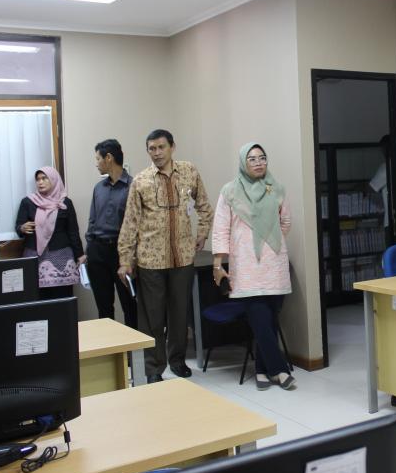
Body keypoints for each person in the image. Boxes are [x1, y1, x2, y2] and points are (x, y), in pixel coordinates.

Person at [117, 129, 212, 383]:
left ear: (172, 147)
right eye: (152, 148)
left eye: (161, 147)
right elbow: (130, 223)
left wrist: (202, 233)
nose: (157, 153)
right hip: (150, 260)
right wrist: (125, 260)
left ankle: (177, 361)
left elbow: (204, 206)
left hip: (183, 258)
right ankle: (153, 368)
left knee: (180, 314)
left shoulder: (189, 172)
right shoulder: (141, 181)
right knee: (152, 318)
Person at [211, 143, 295, 390]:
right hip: (246, 265)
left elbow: (285, 222)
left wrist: (269, 240)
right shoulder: (230, 191)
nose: (258, 163)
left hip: (274, 263)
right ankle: (279, 370)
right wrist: (218, 263)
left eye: (262, 158)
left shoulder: (276, 188)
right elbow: (221, 228)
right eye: (252, 159)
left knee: (269, 320)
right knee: (259, 318)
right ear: (243, 163)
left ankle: (261, 370)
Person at [86, 139, 137, 328]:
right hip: (97, 252)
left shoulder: (133, 186)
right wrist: (89, 248)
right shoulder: (99, 188)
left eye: (98, 158)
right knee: (104, 306)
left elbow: (136, 224)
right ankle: (109, 345)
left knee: (130, 305)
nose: (96, 163)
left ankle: (132, 346)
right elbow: (92, 220)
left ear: (109, 158)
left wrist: (131, 257)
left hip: (121, 252)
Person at [15, 166, 86, 299]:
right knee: (38, 300)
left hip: (61, 257)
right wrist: (22, 228)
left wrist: (80, 254)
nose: (40, 182)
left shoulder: (65, 202)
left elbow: (73, 231)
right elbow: (19, 227)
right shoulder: (28, 202)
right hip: (35, 257)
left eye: (44, 178)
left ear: (53, 179)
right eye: (37, 179)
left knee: (62, 299)